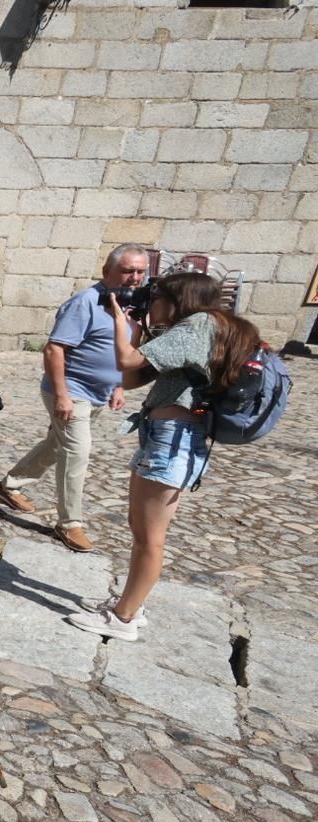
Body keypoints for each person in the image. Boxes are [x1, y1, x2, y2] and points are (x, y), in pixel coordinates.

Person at [66, 271, 260, 642]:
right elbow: (132, 377)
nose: (151, 305)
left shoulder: (199, 325)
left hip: (174, 439)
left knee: (150, 537)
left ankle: (123, 619)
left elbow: (126, 358)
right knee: (140, 528)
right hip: (165, 435)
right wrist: (139, 334)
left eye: (156, 298)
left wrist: (120, 320)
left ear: (175, 300)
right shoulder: (198, 331)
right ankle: (129, 604)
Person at [0, 245, 148, 552]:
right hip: (70, 391)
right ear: (107, 271)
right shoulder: (86, 302)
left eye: (140, 271)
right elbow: (54, 350)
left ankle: (8, 485)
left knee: (56, 445)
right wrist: (62, 395)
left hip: (97, 394)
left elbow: (122, 352)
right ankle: (69, 524)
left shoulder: (132, 307)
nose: (134, 278)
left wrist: (118, 386)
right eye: (128, 270)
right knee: (77, 453)